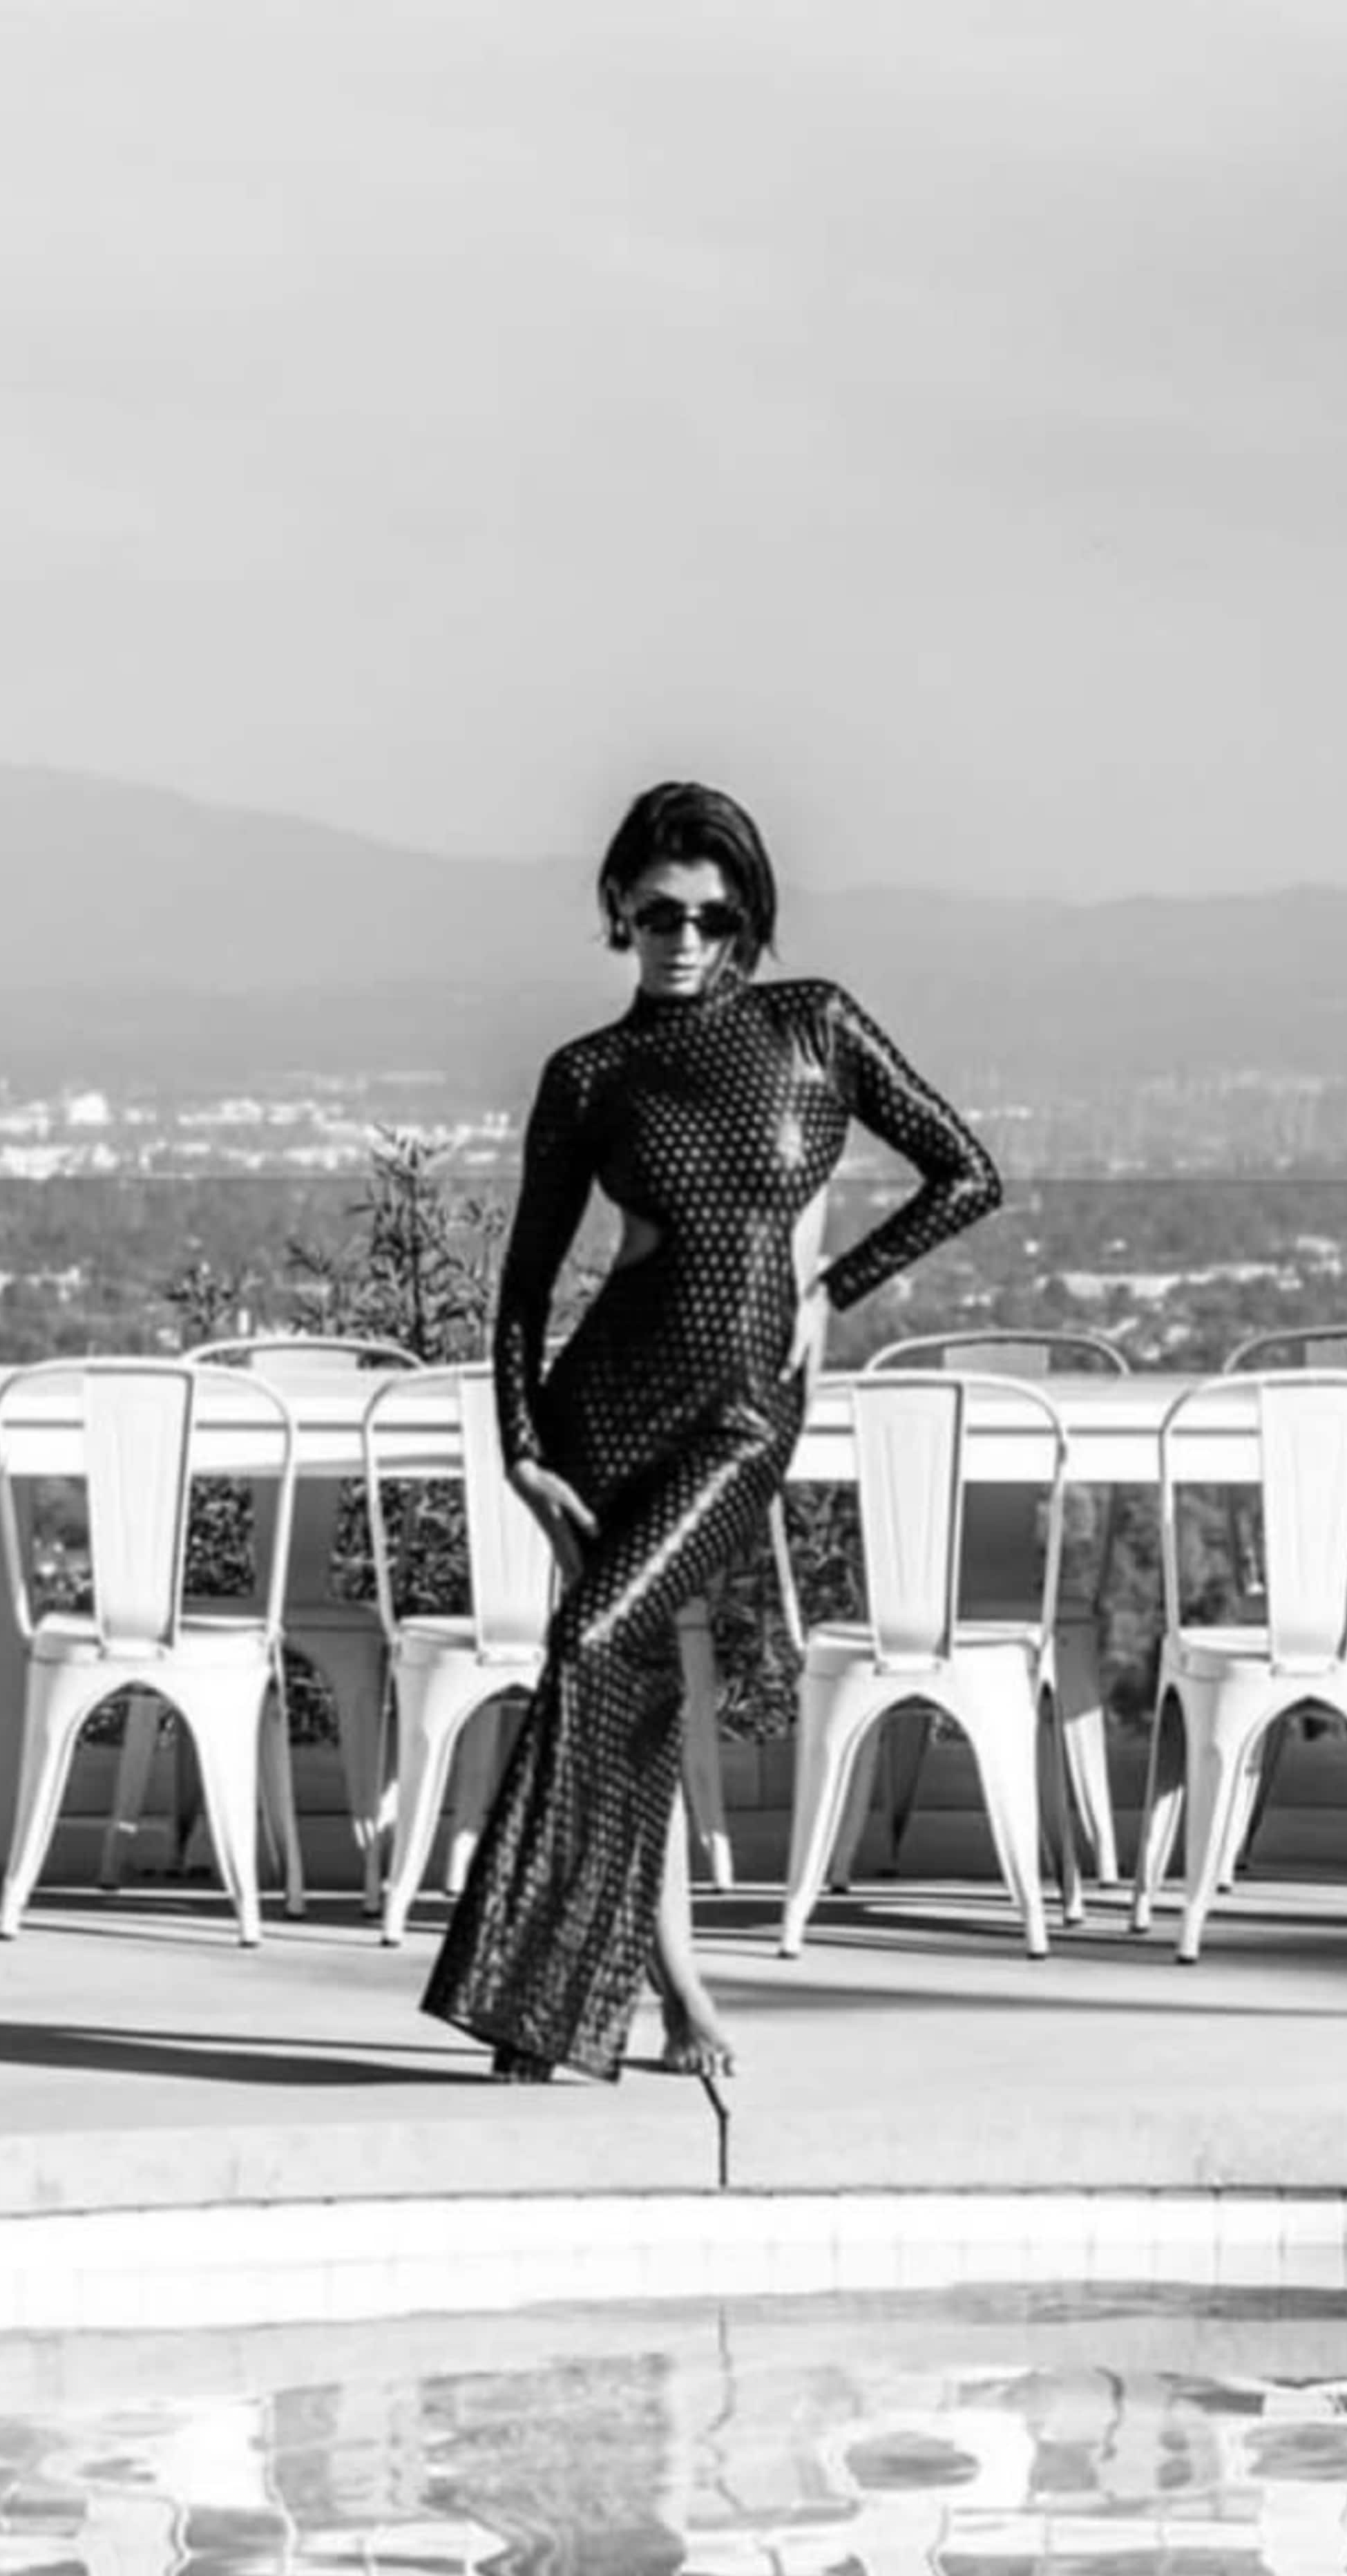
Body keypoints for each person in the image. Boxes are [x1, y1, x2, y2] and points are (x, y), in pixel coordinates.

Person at [420, 779, 1004, 2085]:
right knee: (619, 1684)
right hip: (602, 1411)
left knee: (598, 1636)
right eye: (659, 912)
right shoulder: (589, 1074)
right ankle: (674, 1995)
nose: (686, 936)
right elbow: (524, 1284)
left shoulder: (816, 1026)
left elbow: (969, 1173)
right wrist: (521, 1446)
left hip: (746, 1412)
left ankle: (544, 1998)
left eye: (715, 913)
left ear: (748, 917)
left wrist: (829, 1285)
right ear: (620, 913)